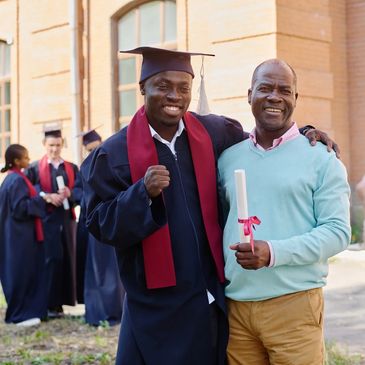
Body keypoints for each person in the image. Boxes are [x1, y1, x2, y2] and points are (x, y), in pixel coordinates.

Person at [80, 47, 337, 365]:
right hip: (156, 305)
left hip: (213, 298)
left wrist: (306, 133)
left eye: (183, 87)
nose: (174, 95)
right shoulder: (113, 154)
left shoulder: (213, 132)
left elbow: (265, 140)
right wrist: (141, 194)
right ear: (143, 88)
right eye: (162, 86)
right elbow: (98, 223)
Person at [218, 59, 351, 365]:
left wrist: (273, 252)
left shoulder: (321, 158)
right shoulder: (227, 158)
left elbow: (337, 232)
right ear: (249, 94)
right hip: (236, 308)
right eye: (265, 88)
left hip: (293, 305)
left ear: (295, 99)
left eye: (284, 90)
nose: (274, 96)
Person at [26, 127, 83, 318]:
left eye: (58, 145)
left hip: (66, 219)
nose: (54, 149)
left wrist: (70, 193)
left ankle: (61, 304)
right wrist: (46, 197)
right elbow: (30, 190)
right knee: (50, 260)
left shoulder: (71, 167)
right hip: (46, 220)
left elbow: (80, 190)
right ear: (44, 145)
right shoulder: (34, 168)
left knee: (67, 259)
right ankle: (49, 304)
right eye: (51, 145)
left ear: (62, 144)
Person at [77, 129, 125, 326]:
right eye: (90, 149)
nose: (94, 152)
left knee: (111, 272)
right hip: (93, 224)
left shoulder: (111, 163)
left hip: (109, 222)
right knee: (96, 271)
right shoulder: (85, 168)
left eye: (96, 147)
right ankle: (96, 312)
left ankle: (113, 312)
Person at [0, 144, 48, 326]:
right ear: (16, 161)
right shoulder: (17, 181)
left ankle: (22, 313)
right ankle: (21, 315)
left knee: (18, 273)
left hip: (13, 236)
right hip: (20, 237)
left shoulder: (10, 179)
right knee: (22, 274)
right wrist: (41, 199)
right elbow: (20, 208)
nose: (29, 160)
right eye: (25, 158)